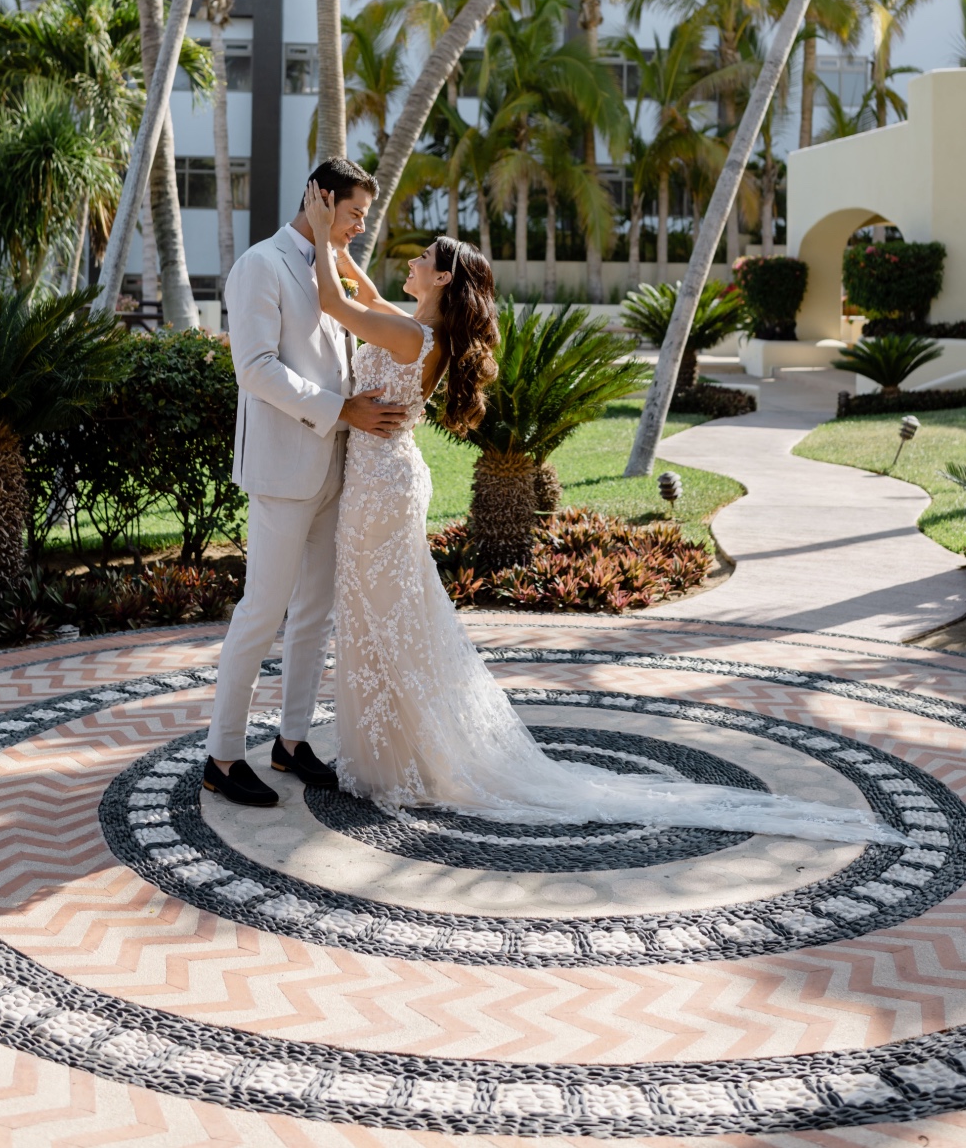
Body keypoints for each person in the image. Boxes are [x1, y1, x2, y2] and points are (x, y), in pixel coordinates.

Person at [302, 183, 904, 847]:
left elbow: (336, 301)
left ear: (441, 277)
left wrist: (326, 224)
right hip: (383, 477)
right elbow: (364, 294)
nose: (407, 263)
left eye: (420, 259)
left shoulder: (412, 331)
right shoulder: (421, 325)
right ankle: (394, 754)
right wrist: (341, 249)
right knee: (386, 611)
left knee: (384, 612)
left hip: (381, 485)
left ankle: (400, 760)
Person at [203, 157, 409, 808]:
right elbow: (256, 369)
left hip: (334, 468)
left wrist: (358, 409)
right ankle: (222, 752)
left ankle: (291, 741)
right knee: (262, 611)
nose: (357, 227)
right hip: (283, 470)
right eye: (352, 213)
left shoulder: (327, 268)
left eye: (362, 218)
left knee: (314, 613)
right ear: (320, 198)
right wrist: (343, 408)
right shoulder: (261, 264)